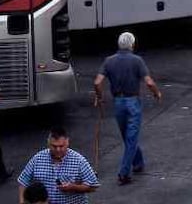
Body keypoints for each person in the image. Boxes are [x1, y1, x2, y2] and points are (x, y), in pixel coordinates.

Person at [93, 31, 163, 185]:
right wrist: (157, 93)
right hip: (133, 102)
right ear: (132, 44)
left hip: (118, 102)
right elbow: (149, 82)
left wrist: (99, 97)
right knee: (131, 138)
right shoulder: (137, 60)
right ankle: (123, 173)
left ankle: (138, 163)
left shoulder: (108, 61)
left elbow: (97, 82)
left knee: (127, 136)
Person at [17, 127, 99, 204]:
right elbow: (23, 181)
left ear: (67, 142)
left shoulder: (79, 161)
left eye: (61, 146)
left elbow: (93, 186)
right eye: (54, 146)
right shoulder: (37, 158)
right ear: (48, 143)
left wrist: (73, 187)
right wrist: (22, 202)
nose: (58, 150)